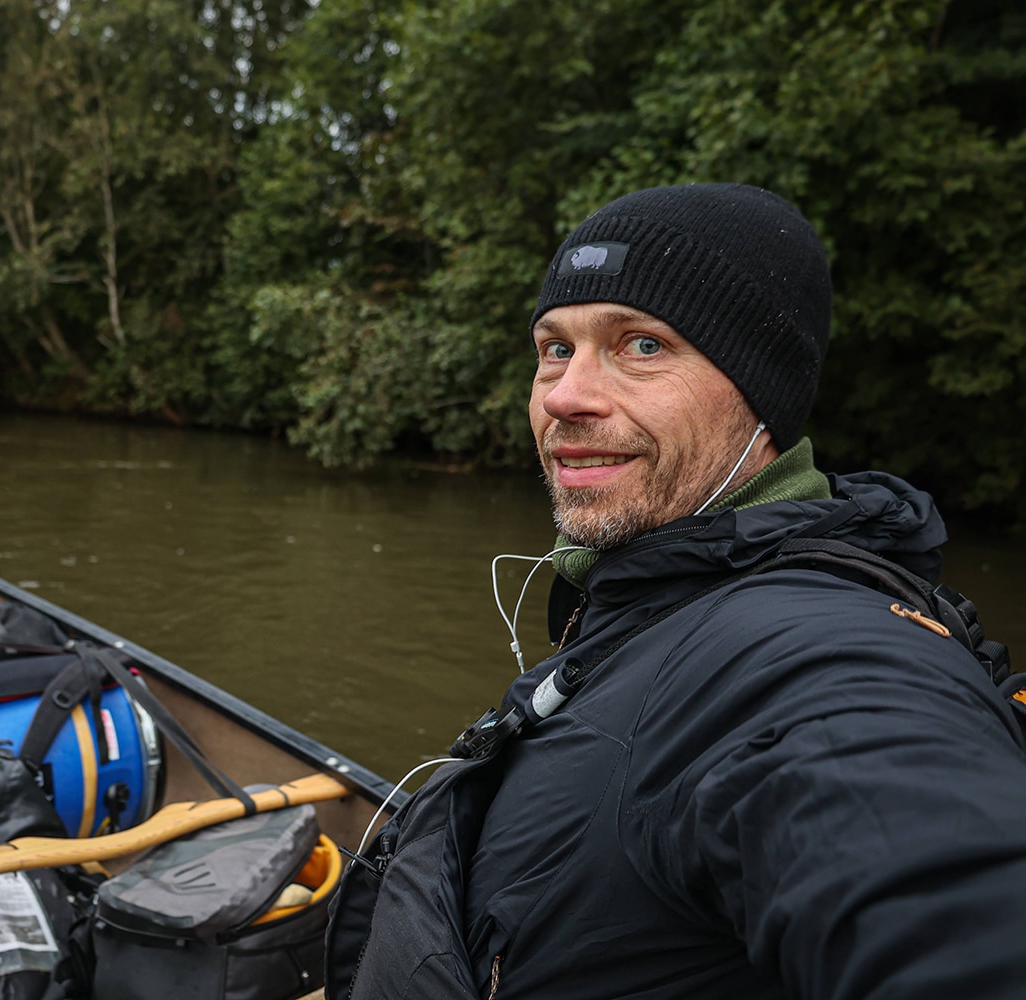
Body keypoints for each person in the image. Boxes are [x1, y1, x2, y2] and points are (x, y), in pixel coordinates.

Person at [324, 183, 1026, 999]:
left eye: (643, 346)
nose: (564, 395)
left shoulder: (808, 658)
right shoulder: (655, 596)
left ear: (762, 397)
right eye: (555, 347)